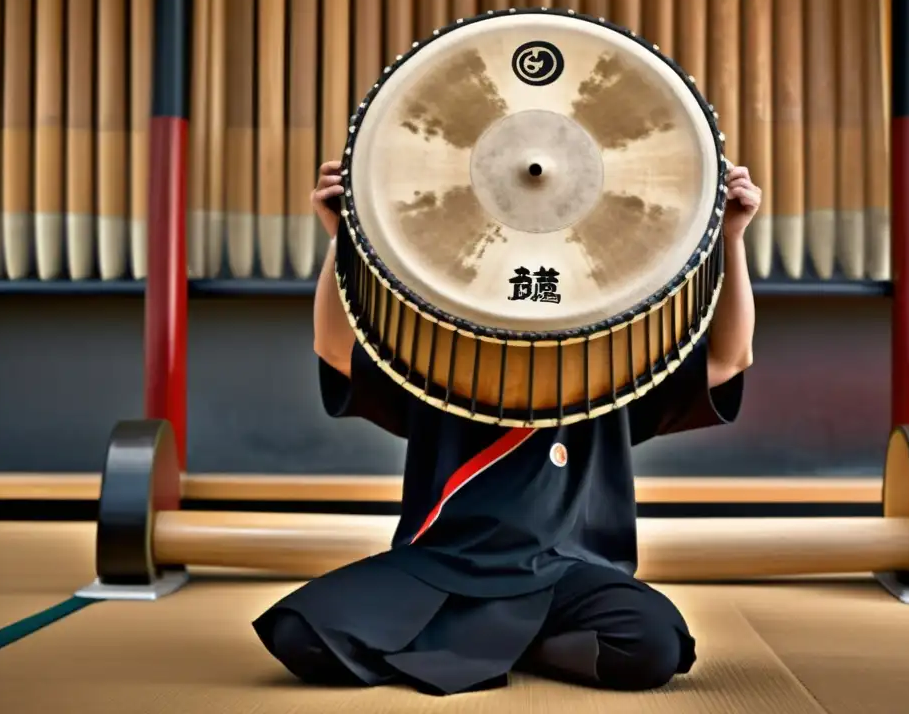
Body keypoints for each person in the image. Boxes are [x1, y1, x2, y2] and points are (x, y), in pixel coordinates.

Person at [253, 160, 761, 696]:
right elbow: (336, 350)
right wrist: (343, 239)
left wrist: (732, 236)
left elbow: (728, 360)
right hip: (442, 567)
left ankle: (493, 642)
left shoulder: (609, 357)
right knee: (298, 633)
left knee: (655, 643)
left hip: (568, 568)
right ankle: (511, 641)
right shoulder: (441, 346)